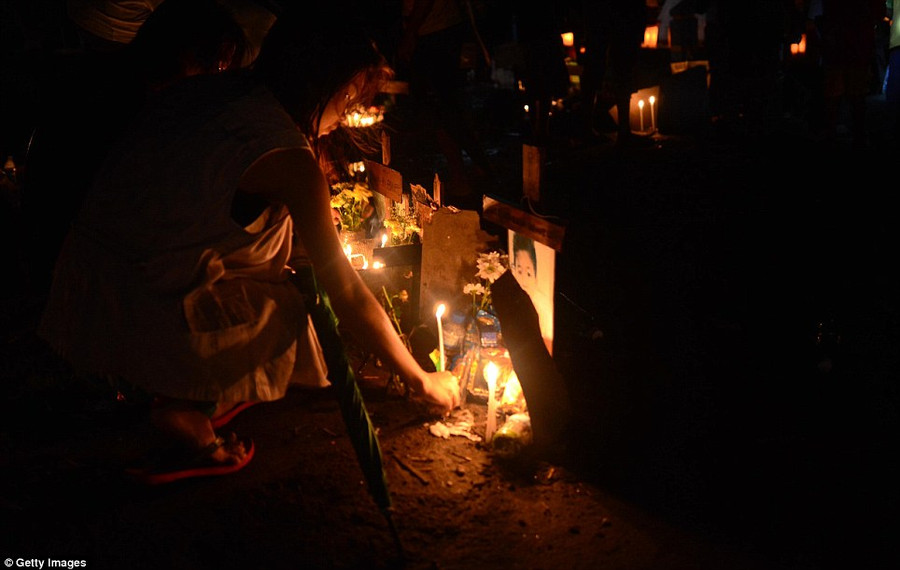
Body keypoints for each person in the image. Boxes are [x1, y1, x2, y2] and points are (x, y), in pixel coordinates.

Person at [38, 2, 461, 482]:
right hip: (139, 313)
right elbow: (345, 289)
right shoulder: (288, 155)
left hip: (81, 295)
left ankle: (163, 387)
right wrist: (420, 379)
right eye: (349, 96)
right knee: (291, 307)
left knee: (272, 262)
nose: (346, 114)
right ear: (325, 82)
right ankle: (187, 408)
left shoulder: (213, 91)